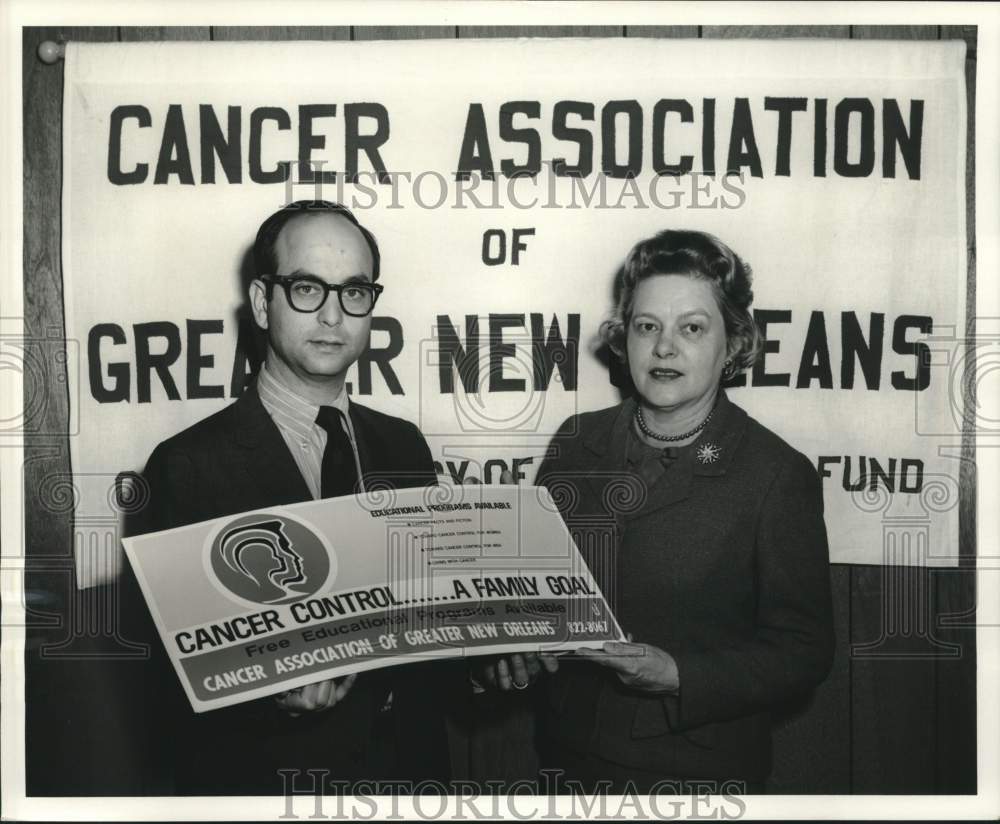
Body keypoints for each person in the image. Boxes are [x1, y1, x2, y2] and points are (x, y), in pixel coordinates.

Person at [484, 229, 835, 794]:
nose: (665, 347)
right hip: (566, 758)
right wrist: (508, 651)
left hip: (698, 773)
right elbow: (532, 594)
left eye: (692, 328)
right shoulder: (578, 441)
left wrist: (679, 676)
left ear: (735, 343)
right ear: (625, 339)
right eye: (648, 326)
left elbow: (804, 650)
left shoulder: (774, 474)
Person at [121, 200, 452, 795]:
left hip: (407, 782)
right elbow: (160, 686)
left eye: (353, 292)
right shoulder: (185, 466)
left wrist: (489, 666)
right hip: (269, 788)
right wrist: (268, 697)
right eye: (306, 288)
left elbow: (420, 629)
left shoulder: (404, 446)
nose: (332, 315)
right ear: (259, 302)